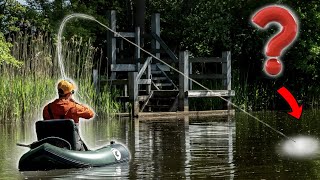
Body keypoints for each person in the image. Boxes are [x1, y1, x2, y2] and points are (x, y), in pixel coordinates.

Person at [43, 80, 94, 151]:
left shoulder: (47, 109)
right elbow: (90, 114)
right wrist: (76, 103)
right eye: (72, 92)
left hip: (54, 146)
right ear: (69, 94)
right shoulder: (74, 107)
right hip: (73, 147)